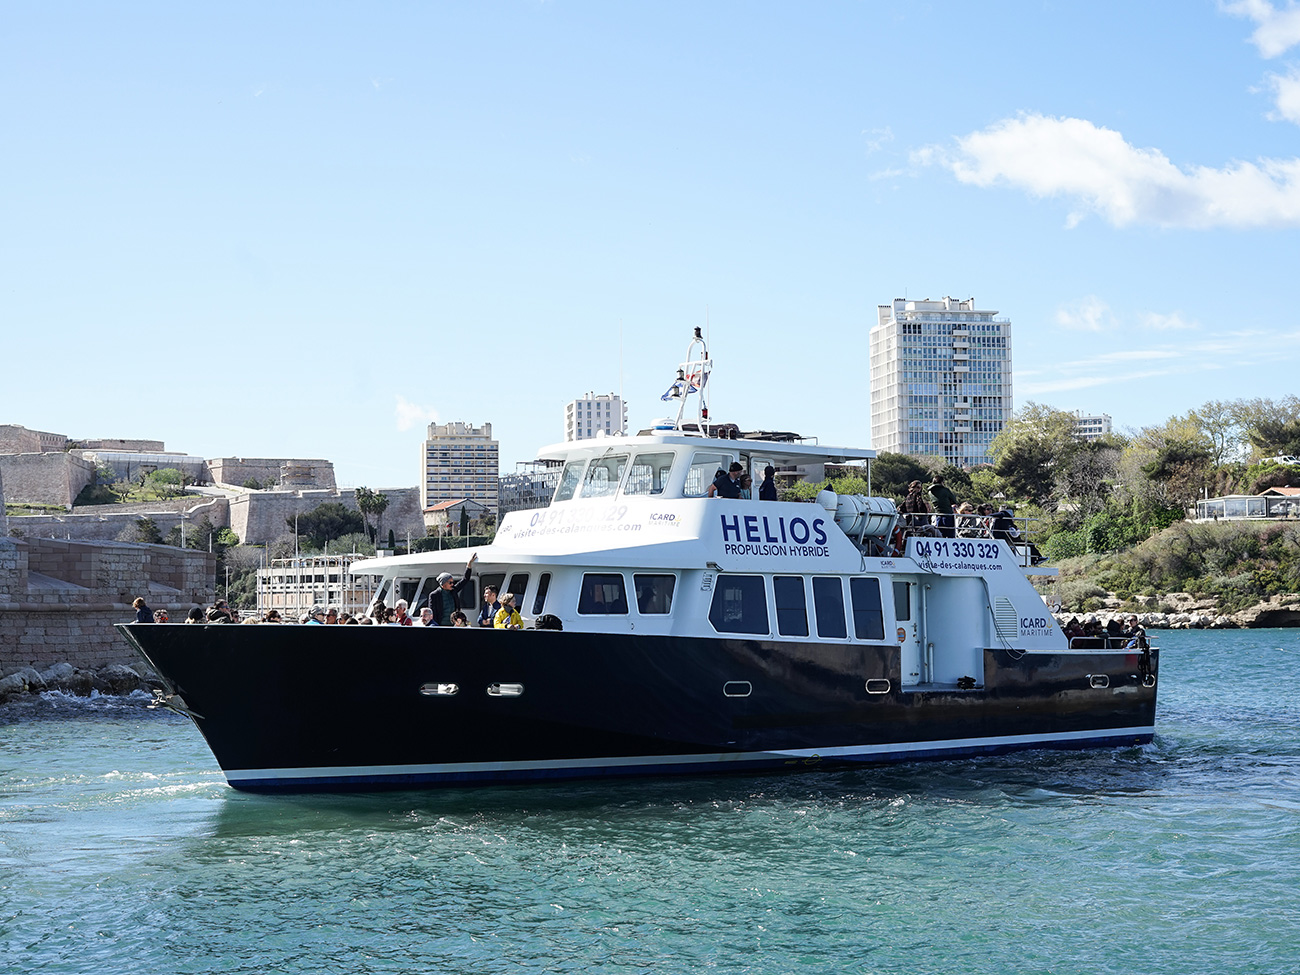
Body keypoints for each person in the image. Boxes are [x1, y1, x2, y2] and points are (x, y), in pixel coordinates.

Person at [427, 554, 478, 626]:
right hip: (440, 626)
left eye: (453, 582)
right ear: (443, 584)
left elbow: (465, 579)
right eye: (450, 582)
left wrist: (468, 565)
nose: (452, 584)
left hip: (453, 626)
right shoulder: (434, 595)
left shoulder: (453, 590)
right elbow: (432, 613)